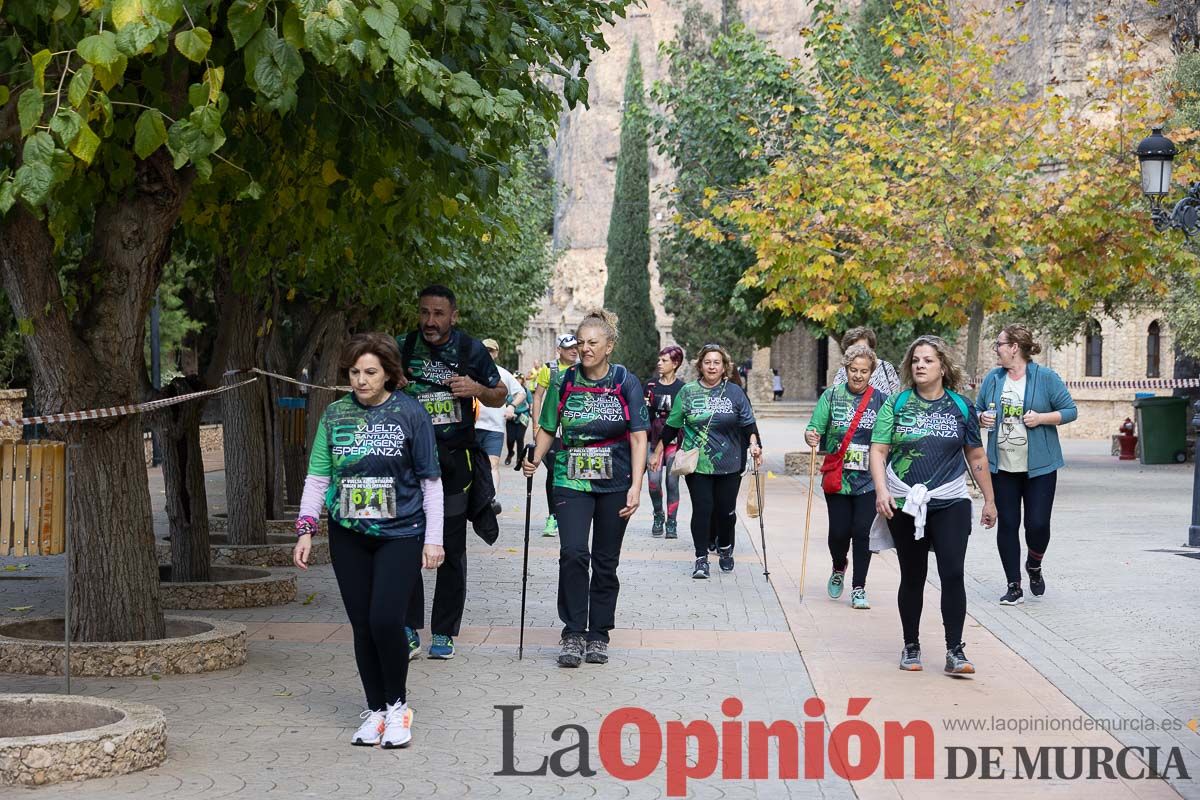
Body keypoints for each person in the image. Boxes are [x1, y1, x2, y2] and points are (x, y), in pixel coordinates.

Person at [293, 333, 444, 748]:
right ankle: (376, 710)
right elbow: (318, 476)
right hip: (349, 534)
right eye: (355, 372)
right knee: (362, 625)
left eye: (370, 372)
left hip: (402, 533)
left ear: (389, 374)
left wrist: (435, 539)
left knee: (385, 620)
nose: (360, 380)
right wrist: (306, 529)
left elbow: (431, 481)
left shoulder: (410, 413)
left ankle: (398, 707)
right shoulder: (335, 415)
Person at [522, 310, 648, 667]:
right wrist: (534, 458)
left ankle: (599, 634)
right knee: (574, 553)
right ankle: (574, 632)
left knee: (606, 562)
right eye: (581, 342)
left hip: (615, 481)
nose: (585, 348)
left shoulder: (626, 381)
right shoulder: (563, 381)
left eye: (593, 343)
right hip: (570, 478)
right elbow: (548, 426)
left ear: (609, 346)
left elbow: (639, 436)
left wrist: (636, 487)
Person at [869, 335, 996, 676]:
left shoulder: (961, 406)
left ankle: (955, 650)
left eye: (928, 360)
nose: (921, 365)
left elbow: (976, 455)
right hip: (904, 501)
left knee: (953, 572)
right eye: (916, 361)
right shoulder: (896, 405)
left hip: (950, 499)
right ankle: (911, 646)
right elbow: (878, 450)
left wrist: (989, 499)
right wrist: (881, 491)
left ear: (942, 366)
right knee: (913, 575)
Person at [397, 285, 506, 661]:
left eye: (438, 313)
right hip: (407, 462)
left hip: (455, 461)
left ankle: (444, 631)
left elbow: (500, 393)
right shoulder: (403, 347)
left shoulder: (469, 349)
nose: (430, 321)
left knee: (451, 547)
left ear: (453, 316)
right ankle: (409, 627)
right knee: (406, 543)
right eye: (425, 312)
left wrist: (476, 387)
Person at [975, 324, 1077, 605]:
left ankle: (1034, 564)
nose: (996, 349)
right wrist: (982, 416)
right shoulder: (994, 379)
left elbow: (1070, 411)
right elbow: (977, 409)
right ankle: (1013, 585)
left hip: (1040, 467)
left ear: (1014, 348)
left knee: (1038, 525)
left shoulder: (1045, 377)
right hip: (1003, 467)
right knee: (1008, 525)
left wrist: (1041, 418)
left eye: (999, 344)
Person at [651, 344, 762, 579]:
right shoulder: (688, 392)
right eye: (708, 362)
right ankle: (701, 558)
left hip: (729, 463)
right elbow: (672, 425)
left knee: (726, 513)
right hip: (698, 464)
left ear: (724, 367)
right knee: (702, 509)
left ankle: (725, 548)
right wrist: (658, 451)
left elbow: (748, 424)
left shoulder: (734, 392)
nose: (712, 366)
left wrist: (754, 444)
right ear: (700, 365)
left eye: (717, 362)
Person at [805, 344, 887, 610]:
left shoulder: (882, 401)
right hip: (838, 477)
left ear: (871, 372)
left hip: (868, 478)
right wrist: (811, 436)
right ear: (846, 370)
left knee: (862, 532)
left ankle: (859, 587)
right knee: (839, 533)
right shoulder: (832, 396)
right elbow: (814, 427)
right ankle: (839, 565)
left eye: (864, 371)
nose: (858, 376)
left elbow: (891, 436)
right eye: (854, 370)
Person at [531, 334, 580, 537]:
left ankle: (569, 513)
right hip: (552, 430)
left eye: (576, 347)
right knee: (553, 471)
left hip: (572, 432)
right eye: (569, 348)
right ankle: (553, 516)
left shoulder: (580, 371)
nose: (574, 351)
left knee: (571, 471)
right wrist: (535, 427)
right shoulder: (549, 369)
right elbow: (538, 397)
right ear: (559, 350)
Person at [476, 338, 526, 512]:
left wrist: (511, 406)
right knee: (470, 467)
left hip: (494, 428)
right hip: (471, 427)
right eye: (485, 350)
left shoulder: (503, 374)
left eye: (491, 351)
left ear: (496, 353)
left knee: (492, 465)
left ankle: (491, 500)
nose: (488, 354)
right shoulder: (471, 371)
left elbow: (521, 393)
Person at [644, 345, 686, 538]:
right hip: (652, 441)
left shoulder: (682, 388)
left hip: (673, 443)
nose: (659, 363)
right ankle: (658, 514)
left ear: (675, 363)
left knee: (672, 483)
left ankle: (672, 521)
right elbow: (644, 415)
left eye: (664, 360)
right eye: (659, 360)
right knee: (653, 483)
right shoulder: (651, 386)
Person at [834, 326, 901, 394]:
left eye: (864, 348)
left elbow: (897, 397)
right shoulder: (842, 372)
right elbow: (835, 396)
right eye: (855, 349)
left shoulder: (886, 367)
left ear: (871, 349)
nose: (860, 352)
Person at [506, 372, 532, 468]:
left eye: (519, 378)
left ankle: (519, 459)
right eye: (516, 378)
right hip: (511, 416)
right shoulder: (509, 391)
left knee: (519, 437)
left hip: (523, 415)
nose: (517, 380)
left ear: (522, 380)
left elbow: (531, 403)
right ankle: (510, 453)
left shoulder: (526, 390)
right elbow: (503, 402)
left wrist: (532, 412)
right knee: (510, 438)